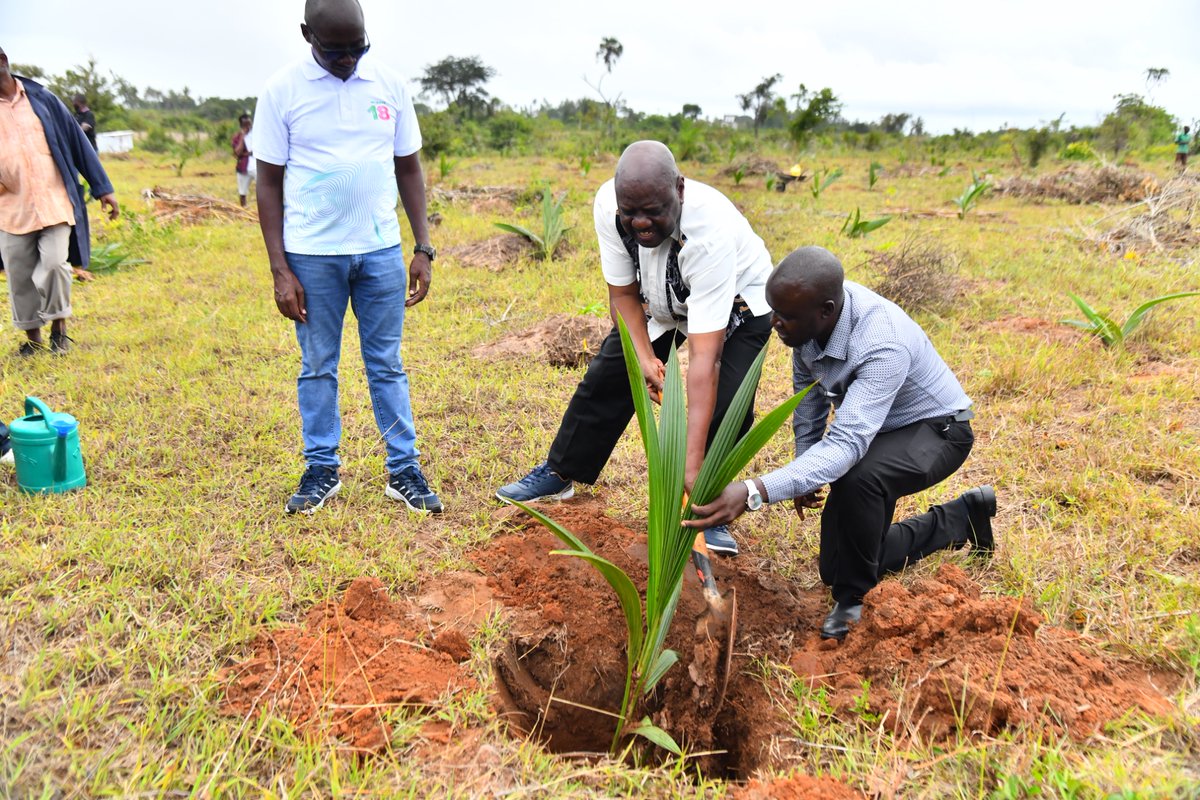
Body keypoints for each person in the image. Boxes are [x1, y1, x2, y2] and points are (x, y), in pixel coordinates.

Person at [686, 246, 996, 639]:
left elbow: (848, 444)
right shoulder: (808, 324)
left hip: (937, 431)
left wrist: (753, 491)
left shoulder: (882, 342)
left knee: (857, 479)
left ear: (827, 310)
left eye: (786, 317)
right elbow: (809, 402)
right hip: (881, 430)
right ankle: (962, 518)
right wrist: (805, 473)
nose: (775, 322)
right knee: (836, 566)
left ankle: (853, 598)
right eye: (773, 310)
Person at [495, 140, 775, 557]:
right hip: (661, 299)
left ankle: (706, 503)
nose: (640, 222)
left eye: (653, 211)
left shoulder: (708, 232)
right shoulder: (610, 205)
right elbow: (623, 294)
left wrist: (690, 463)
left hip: (739, 302)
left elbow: (705, 357)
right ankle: (561, 472)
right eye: (631, 213)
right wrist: (644, 358)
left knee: (726, 404)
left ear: (679, 190)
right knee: (611, 373)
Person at [254, 0, 441, 515]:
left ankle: (403, 470)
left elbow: (408, 168)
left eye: (356, 49)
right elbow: (267, 184)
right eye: (334, 51)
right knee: (318, 365)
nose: (347, 60)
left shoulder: (390, 85)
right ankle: (321, 469)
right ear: (305, 34)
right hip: (312, 257)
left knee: (387, 365)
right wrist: (280, 268)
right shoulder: (282, 91)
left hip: (380, 251)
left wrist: (421, 247)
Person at [0, 47, 119, 356]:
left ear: (2, 62)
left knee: (55, 264)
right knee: (19, 273)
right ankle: (32, 340)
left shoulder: (43, 100)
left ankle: (59, 330)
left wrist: (102, 187)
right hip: (10, 208)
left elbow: (77, 141)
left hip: (54, 200)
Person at [231, 113, 255, 207]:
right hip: (243, 166)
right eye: (246, 124)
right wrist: (243, 136)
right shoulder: (237, 137)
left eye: (249, 123)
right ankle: (244, 209)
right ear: (241, 125)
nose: (248, 126)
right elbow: (237, 153)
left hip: (257, 165)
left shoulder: (257, 134)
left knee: (264, 187)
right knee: (242, 192)